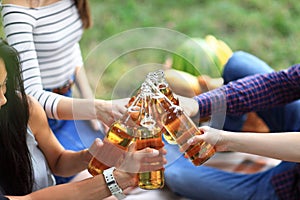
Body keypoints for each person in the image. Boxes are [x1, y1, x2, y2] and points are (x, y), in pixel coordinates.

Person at [0, 39, 166, 199]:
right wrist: (121, 177)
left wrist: (89, 157)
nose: (3, 99)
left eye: (4, 84)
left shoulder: (23, 108)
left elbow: (58, 162)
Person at [0, 0, 128, 184]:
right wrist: (97, 108)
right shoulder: (17, 9)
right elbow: (31, 95)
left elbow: (71, 48)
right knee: (104, 178)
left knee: (120, 155)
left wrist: (90, 102)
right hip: (42, 117)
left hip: (68, 101)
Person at [163, 51, 300, 200]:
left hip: (291, 187)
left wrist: (226, 140)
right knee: (239, 63)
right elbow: (281, 84)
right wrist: (197, 104)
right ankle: (224, 127)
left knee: (177, 175)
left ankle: (157, 146)